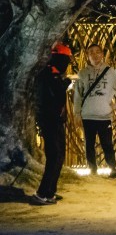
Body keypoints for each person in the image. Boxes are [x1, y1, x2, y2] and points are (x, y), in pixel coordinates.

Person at [73, 43, 116, 178]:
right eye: (91, 52)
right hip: (87, 115)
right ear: (87, 56)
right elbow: (78, 95)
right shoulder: (83, 73)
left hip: (104, 115)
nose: (95, 55)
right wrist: (77, 113)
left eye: (98, 52)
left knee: (107, 144)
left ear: (102, 54)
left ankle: (113, 169)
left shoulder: (110, 72)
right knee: (89, 145)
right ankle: (92, 170)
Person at [30, 43, 73, 205]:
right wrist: (64, 85)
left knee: (59, 155)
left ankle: (50, 191)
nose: (66, 63)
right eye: (65, 59)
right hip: (50, 122)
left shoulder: (53, 74)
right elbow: (51, 99)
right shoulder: (46, 75)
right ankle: (42, 193)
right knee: (54, 156)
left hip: (55, 121)